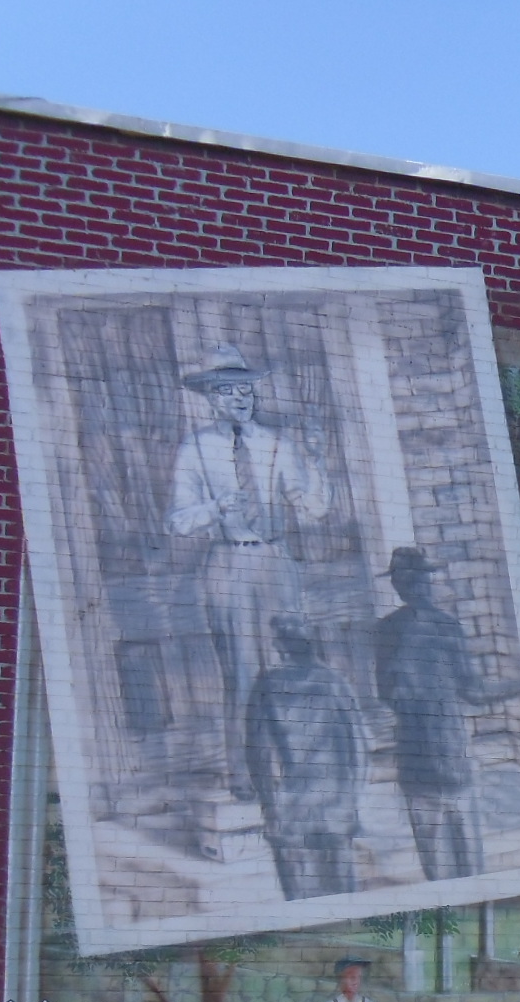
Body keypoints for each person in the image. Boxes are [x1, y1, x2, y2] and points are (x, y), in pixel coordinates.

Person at [166, 343, 331, 801]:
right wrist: (215, 508)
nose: (240, 399)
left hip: (276, 561)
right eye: (227, 391)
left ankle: (299, 768)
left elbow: (313, 508)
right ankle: (249, 775)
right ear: (210, 398)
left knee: (289, 666)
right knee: (241, 671)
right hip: (229, 562)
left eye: (246, 390)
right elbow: (178, 521)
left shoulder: (277, 444)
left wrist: (317, 461)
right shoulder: (195, 449)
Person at [373, 546, 520, 882]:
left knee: (437, 871)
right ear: (425, 582)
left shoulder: (385, 631)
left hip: (414, 759)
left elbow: (386, 693)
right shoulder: (446, 627)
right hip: (452, 754)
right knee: (471, 863)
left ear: (399, 586)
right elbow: (475, 692)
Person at [246, 616, 365, 901]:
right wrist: (351, 799)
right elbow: (357, 750)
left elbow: (259, 755)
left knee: (302, 901)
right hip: (335, 804)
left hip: (290, 808)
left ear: (280, 646)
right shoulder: (335, 682)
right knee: (345, 899)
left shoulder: (267, 685)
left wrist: (270, 806)